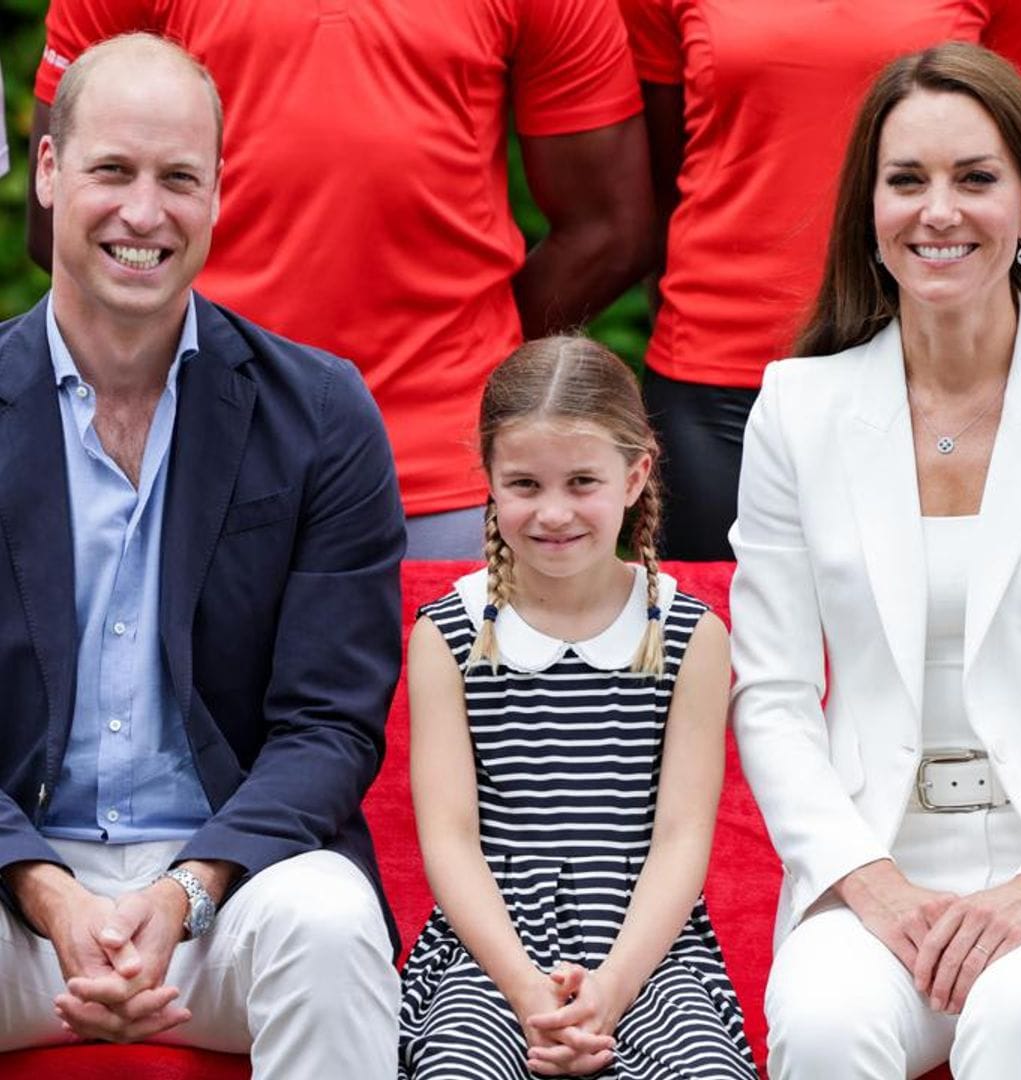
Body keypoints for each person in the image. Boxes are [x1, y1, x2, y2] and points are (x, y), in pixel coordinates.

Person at [0, 33, 405, 1079]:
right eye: (112, 171)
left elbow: (329, 724)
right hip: (11, 893)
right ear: (49, 171)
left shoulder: (319, 415)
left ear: (219, 192)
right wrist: (48, 891)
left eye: (179, 177)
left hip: (230, 892)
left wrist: (183, 891)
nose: (145, 213)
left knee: (333, 927)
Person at [730, 41, 1021, 1079]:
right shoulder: (800, 409)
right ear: (868, 212)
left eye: (975, 179)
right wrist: (867, 881)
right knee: (828, 1023)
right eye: (907, 180)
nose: (939, 211)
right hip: (876, 874)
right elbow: (775, 694)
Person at [28, 0, 654, 558]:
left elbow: (609, 229)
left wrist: (469, 346)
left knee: (442, 691)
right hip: (190, 446)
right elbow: (65, 216)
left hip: (444, 469)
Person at [398, 337, 756, 1078]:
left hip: (648, 949)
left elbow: (682, 839)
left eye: (582, 482)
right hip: (490, 954)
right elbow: (451, 841)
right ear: (489, 482)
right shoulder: (449, 634)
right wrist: (530, 993)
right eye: (525, 484)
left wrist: (614, 989)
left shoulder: (689, 633)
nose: (553, 512)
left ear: (635, 476)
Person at [617, 0, 1021, 560]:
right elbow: (654, 185)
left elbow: (1012, 164)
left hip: (941, 371)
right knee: (718, 631)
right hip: (721, 373)